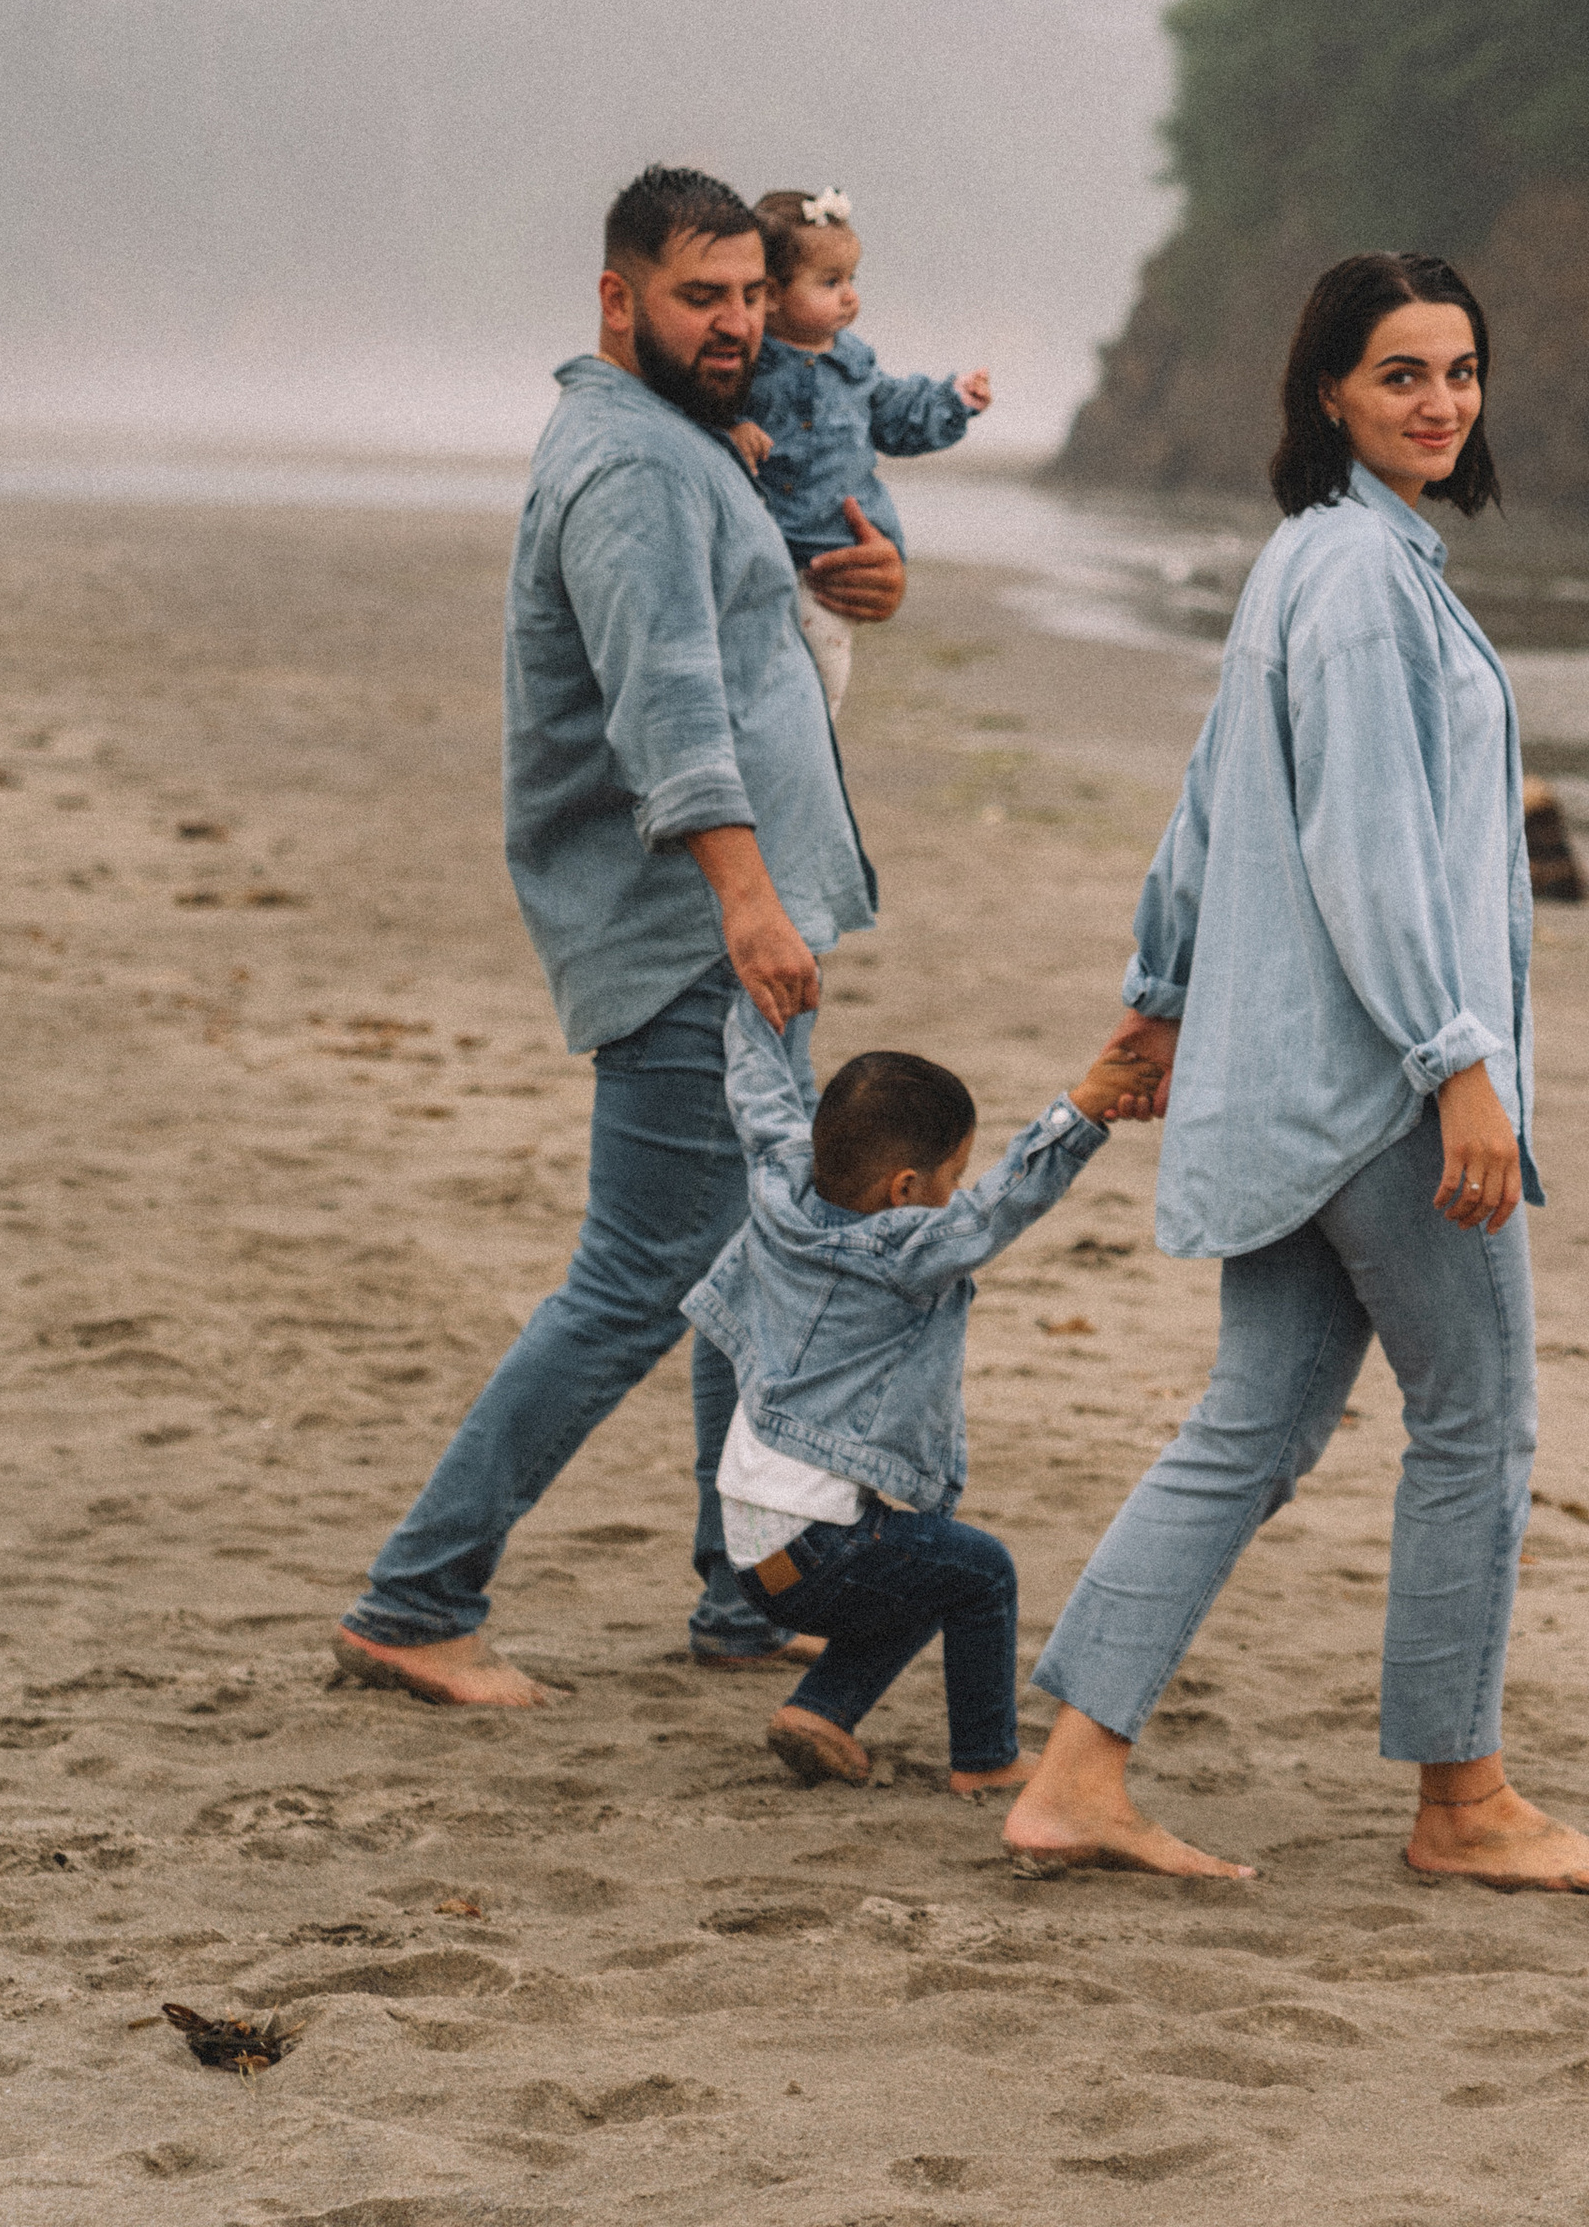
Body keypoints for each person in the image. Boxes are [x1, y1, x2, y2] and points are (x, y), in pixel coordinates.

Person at [1002, 252, 1589, 1896]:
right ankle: (1464, 1805)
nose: (1440, 401)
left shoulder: (1309, 561)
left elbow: (1209, 802)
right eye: (1401, 376)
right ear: (1328, 395)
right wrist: (1462, 1066)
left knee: (1253, 1426)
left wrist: (1160, 998)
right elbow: (1366, 851)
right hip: (1378, 1086)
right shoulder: (1364, 583)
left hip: (1278, 1078)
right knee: (1478, 1424)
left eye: (1460, 371)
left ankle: (1078, 1772)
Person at [331, 165, 907, 1708]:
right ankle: (416, 1597)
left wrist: (841, 583)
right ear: (617, 298)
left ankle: (740, 1594)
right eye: (694, 297)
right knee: (644, 1275)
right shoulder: (635, 466)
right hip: (691, 939)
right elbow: (667, 703)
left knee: (742, 1265)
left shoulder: (678, 442)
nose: (731, 324)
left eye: (742, 294)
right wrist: (744, 899)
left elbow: (726, 630)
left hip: (738, 929)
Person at [680, 1004, 1161, 1794]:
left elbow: (759, 1093)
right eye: (951, 1178)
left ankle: (822, 1709)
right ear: (905, 1189)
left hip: (751, 1548)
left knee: (917, 1568)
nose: (958, 1193)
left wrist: (760, 1011)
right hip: (815, 1549)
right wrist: (1084, 1108)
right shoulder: (900, 1251)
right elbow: (1007, 1202)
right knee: (979, 1572)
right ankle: (986, 1758)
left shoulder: (778, 1184)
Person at [729, 184, 991, 716]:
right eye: (829, 282)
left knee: (825, 666)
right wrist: (731, 426)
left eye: (851, 279)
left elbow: (896, 415)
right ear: (772, 295)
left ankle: (814, 735)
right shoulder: (746, 364)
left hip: (836, 552)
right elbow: (699, 412)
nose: (849, 295)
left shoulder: (855, 363)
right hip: (765, 548)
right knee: (756, 671)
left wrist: (952, 399)